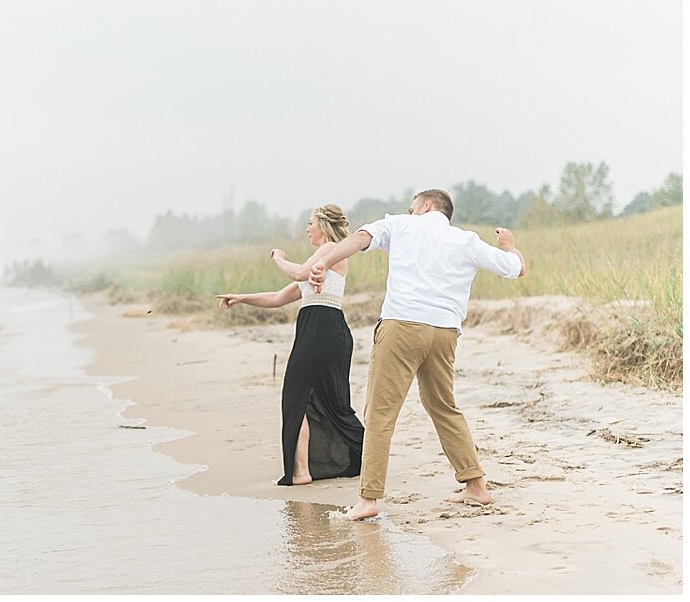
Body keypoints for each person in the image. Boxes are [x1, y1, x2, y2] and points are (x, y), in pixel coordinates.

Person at [302, 189, 526, 521]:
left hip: (402, 327)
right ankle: (476, 486)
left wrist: (322, 261)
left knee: (380, 413)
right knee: (443, 407)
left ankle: (368, 498)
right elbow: (515, 268)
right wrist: (508, 245)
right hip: (444, 333)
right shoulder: (466, 240)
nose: (409, 210)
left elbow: (361, 238)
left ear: (425, 206)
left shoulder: (402, 224)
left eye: (412, 206)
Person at [216, 204, 365, 486]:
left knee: (298, 397)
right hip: (324, 330)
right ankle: (346, 459)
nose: (307, 228)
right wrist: (241, 297)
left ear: (322, 225)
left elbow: (297, 274)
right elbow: (276, 297)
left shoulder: (331, 249)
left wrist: (277, 257)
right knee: (328, 401)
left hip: (320, 330)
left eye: (310, 223)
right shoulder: (319, 263)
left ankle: (302, 472)